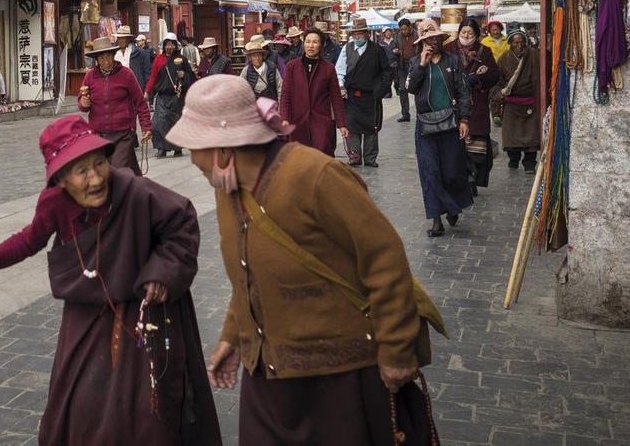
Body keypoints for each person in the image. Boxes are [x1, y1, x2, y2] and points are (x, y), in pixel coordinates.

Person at [170, 77, 434, 446]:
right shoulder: (228, 189)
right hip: (269, 378)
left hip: (338, 378)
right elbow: (248, 276)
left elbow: (384, 259)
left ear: (223, 151)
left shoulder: (316, 176)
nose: (192, 158)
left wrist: (395, 349)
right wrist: (235, 336)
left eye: (194, 147)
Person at [0, 115, 221, 445]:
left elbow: (182, 224)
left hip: (142, 311)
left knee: (146, 408)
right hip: (88, 314)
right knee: (81, 400)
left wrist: (162, 272)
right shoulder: (54, 204)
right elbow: (30, 238)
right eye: (81, 171)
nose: (95, 179)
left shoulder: (134, 190)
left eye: (99, 164)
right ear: (61, 179)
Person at [406, 20, 473, 237]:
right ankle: (436, 219)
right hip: (426, 125)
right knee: (430, 172)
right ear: (421, 42)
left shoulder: (452, 60)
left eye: (435, 38)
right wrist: (422, 65)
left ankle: (452, 206)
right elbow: (410, 87)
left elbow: (463, 91)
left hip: (450, 122)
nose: (432, 42)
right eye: (427, 39)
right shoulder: (416, 62)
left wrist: (464, 119)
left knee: (453, 172)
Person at [77, 36, 151, 175]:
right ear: (97, 60)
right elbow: (82, 102)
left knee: (118, 169)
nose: (106, 61)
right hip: (98, 134)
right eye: (102, 58)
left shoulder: (126, 74)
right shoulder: (90, 76)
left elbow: (140, 102)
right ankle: (135, 190)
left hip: (123, 133)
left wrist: (146, 126)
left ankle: (123, 192)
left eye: (109, 56)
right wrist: (83, 103)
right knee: (105, 171)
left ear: (113, 56)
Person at [279, 28, 348, 156]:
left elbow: (336, 97)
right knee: (299, 158)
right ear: (303, 43)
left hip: (321, 120)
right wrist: (284, 118)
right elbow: (285, 95)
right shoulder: (292, 66)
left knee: (322, 154)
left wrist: (342, 124)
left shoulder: (328, 68)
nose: (311, 45)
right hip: (298, 121)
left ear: (321, 45)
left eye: (315, 42)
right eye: (308, 41)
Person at [335, 17, 392, 168]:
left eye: (361, 33)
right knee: (352, 126)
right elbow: (339, 70)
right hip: (352, 95)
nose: (358, 36)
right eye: (355, 34)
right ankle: (354, 156)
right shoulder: (347, 48)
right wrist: (341, 87)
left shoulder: (377, 50)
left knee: (372, 127)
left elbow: (387, 71)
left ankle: (370, 158)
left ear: (367, 34)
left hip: (371, 96)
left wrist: (381, 90)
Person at [455, 18, 500, 195]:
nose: (466, 36)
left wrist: (479, 80)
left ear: (476, 34)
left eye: (470, 33)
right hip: (456, 102)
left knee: (476, 144)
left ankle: (473, 175)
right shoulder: (450, 49)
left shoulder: (485, 51)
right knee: (457, 143)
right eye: (463, 32)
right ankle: (460, 178)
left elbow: (494, 75)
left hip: (477, 102)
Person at [493, 29, 540, 173]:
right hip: (512, 104)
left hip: (530, 103)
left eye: (522, 43)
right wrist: (497, 100)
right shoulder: (504, 59)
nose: (519, 46)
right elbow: (498, 81)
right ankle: (513, 159)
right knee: (511, 137)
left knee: (532, 137)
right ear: (510, 44)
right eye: (515, 43)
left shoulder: (534, 56)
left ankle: (530, 163)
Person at [145, 32, 195, 159]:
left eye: (172, 44)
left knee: (176, 123)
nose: (169, 47)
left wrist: (184, 75)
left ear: (176, 46)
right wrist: (147, 91)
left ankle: (177, 148)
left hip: (177, 97)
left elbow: (191, 76)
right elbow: (153, 77)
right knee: (158, 123)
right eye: (167, 44)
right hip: (162, 96)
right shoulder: (158, 60)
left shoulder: (182, 60)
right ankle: (161, 148)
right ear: (163, 45)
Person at [394, 18, 417, 122]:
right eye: (402, 29)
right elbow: (394, 47)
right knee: (402, 90)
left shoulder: (417, 35)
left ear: (410, 27)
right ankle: (405, 114)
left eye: (405, 29)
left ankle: (421, 112)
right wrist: (395, 51)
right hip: (402, 66)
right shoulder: (398, 36)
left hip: (415, 66)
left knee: (418, 89)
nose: (403, 31)